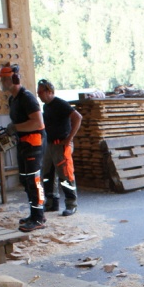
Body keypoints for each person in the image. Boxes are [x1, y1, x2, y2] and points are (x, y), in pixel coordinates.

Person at [0, 63, 47, 232]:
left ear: (14, 79)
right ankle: (35, 214)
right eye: (2, 80)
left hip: (33, 142)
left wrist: (15, 128)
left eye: (5, 79)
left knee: (34, 181)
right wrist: (10, 134)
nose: (3, 83)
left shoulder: (27, 98)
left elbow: (38, 123)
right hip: (22, 142)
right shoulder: (13, 99)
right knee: (25, 180)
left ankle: (39, 218)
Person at [37, 79, 82, 216]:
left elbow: (78, 117)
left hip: (62, 144)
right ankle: (52, 202)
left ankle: (71, 204)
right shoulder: (46, 107)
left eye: (40, 92)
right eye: (38, 93)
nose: (39, 95)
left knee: (66, 175)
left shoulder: (60, 104)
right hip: (50, 144)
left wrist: (69, 138)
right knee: (48, 174)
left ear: (49, 91)